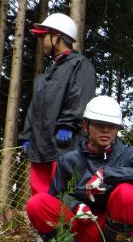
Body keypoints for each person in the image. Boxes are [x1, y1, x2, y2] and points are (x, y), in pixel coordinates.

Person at [25, 96, 133, 242]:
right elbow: (56, 196)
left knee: (128, 192)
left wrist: (106, 175)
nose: (106, 129)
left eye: (112, 125)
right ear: (86, 126)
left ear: (118, 129)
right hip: (81, 231)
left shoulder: (129, 155)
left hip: (114, 232)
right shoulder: (69, 160)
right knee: (37, 203)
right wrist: (77, 206)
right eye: (99, 124)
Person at [19, 12, 96, 196]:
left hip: (65, 145)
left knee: (64, 193)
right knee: (40, 195)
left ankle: (66, 225)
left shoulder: (80, 65)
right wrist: (27, 136)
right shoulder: (45, 75)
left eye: (44, 35)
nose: (42, 40)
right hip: (40, 146)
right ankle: (42, 225)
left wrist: (68, 124)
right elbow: (34, 108)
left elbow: (80, 97)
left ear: (57, 37)